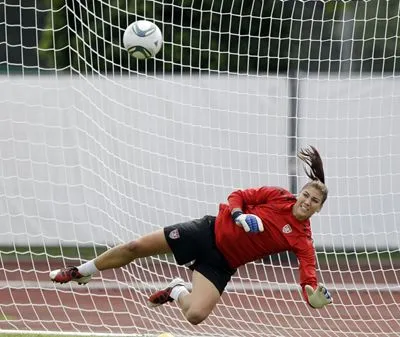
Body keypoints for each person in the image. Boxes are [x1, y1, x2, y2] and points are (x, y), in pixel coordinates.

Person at [50, 145, 332, 325]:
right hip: (205, 232)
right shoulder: (278, 196)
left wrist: (313, 299)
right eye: (306, 195)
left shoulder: (302, 240)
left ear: (319, 209)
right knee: (136, 246)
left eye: (314, 201)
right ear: (299, 194)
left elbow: (308, 280)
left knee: (196, 316)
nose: (307, 202)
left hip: (221, 264)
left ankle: (176, 289)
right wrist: (239, 215)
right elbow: (237, 196)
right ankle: (82, 270)